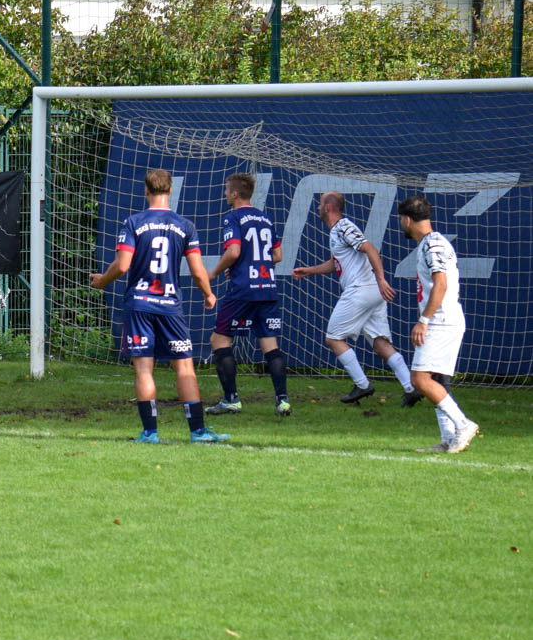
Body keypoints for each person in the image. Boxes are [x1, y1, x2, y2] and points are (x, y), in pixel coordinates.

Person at [90, 168, 228, 444]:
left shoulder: (133, 222)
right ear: (170, 190)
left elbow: (123, 265)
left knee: (144, 369)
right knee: (185, 368)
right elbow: (197, 270)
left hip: (139, 304)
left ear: (146, 190)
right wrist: (209, 294)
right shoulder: (185, 226)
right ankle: (198, 431)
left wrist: (103, 280)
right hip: (169, 305)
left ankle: (150, 432)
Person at [290, 191, 419, 405]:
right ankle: (410, 387)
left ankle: (362, 384)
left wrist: (381, 279)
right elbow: (337, 263)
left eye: (320, 204)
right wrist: (310, 270)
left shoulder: (343, 226)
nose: (318, 208)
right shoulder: (337, 231)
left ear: (328, 208)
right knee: (379, 343)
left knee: (333, 338)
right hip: (371, 292)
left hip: (361, 290)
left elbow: (370, 249)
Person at [398, 195, 479, 453]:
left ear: (407, 220)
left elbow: (441, 284)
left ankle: (463, 424)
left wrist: (424, 320)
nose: (401, 224)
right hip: (444, 319)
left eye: (401, 220)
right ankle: (448, 439)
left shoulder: (433, 244)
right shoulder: (431, 243)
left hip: (441, 320)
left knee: (419, 379)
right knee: (436, 379)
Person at [206, 173, 291, 417]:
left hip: (243, 289)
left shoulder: (233, 217)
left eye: (226, 190)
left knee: (219, 341)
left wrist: (214, 272)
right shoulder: (265, 218)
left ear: (234, 194)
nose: (225, 194)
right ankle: (282, 401)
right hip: (267, 287)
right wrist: (252, 264)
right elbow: (277, 256)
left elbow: (233, 252)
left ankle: (231, 399)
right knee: (270, 344)